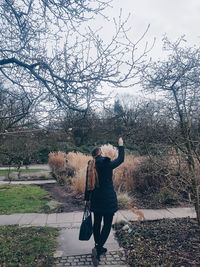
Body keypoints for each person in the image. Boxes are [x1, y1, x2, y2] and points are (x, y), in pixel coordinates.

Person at [84, 137, 125, 266]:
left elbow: (87, 184)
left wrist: (86, 199)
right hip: (108, 199)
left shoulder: (91, 165)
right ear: (100, 153)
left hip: (96, 198)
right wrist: (121, 146)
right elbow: (121, 159)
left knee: (97, 223)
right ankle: (99, 247)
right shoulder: (107, 163)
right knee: (107, 224)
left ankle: (98, 245)